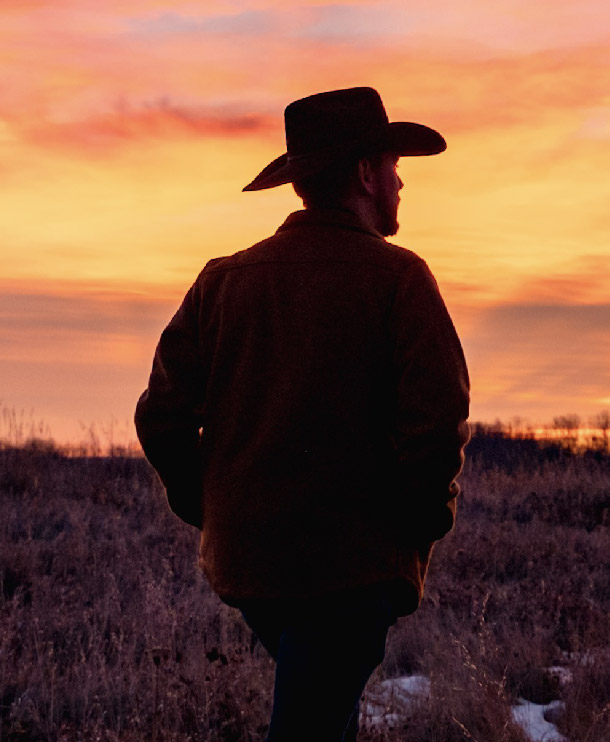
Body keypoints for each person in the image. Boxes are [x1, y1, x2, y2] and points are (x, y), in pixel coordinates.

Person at [134, 87, 470, 741]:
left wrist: (216, 509)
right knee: (310, 727)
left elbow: (162, 419)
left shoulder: (222, 281)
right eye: (394, 165)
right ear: (367, 173)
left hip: (249, 567)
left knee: (322, 716)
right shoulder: (399, 279)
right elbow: (437, 419)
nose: (401, 182)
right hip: (353, 571)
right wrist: (416, 527)